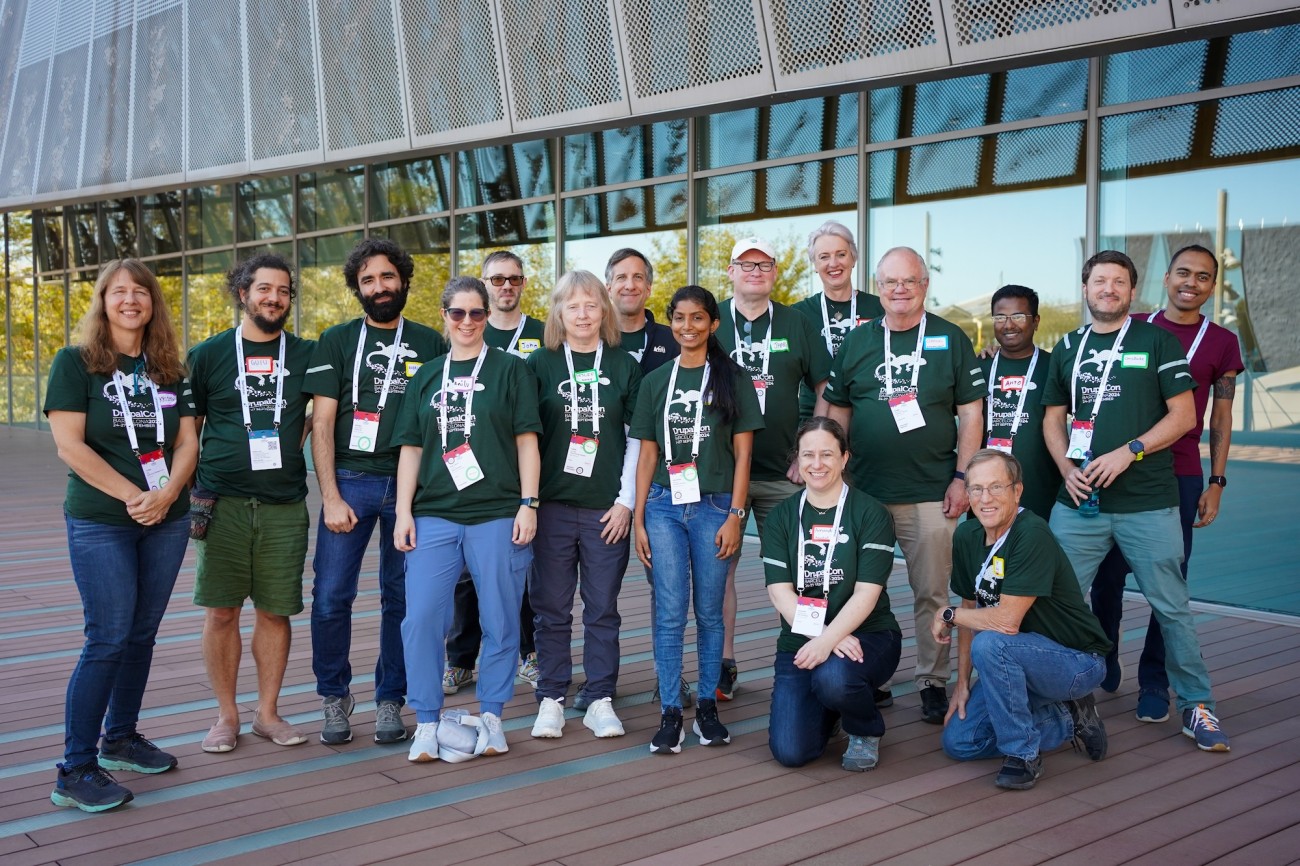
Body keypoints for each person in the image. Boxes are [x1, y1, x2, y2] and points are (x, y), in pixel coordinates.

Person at [1042, 249, 1230, 752]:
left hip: (1148, 503)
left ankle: (1197, 706)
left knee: (1171, 607)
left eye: (1119, 282)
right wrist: (1065, 468)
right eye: (1099, 281)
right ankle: (1055, 697)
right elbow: (1053, 419)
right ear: (1086, 289)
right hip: (1079, 505)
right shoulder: (1068, 345)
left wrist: (1130, 452)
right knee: (1053, 603)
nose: (1108, 289)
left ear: (1132, 291)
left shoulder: (1156, 341)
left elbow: (1184, 416)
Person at [45, 260, 198, 812]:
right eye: (119, 292)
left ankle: (121, 739)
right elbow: (71, 446)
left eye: (141, 292)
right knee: (107, 637)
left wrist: (165, 495)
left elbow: (187, 444)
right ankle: (75, 769)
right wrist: (134, 497)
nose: (131, 300)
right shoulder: (76, 363)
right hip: (102, 520)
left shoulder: (166, 370)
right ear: (103, 301)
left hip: (167, 517)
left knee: (141, 634)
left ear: (153, 303)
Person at [816, 246, 984, 723]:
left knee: (932, 593)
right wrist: (835, 474)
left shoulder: (950, 338)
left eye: (909, 281)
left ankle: (932, 680)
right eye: (889, 282)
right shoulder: (858, 341)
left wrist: (962, 478)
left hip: (932, 492)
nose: (899, 290)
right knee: (856, 590)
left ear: (924, 285)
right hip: (863, 493)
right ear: (878, 286)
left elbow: (971, 414)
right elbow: (839, 410)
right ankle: (868, 675)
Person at [1087, 245, 1244, 723]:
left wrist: (1216, 480)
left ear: (1212, 286)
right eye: (1182, 272)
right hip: (1118, 469)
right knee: (1107, 577)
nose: (1190, 283)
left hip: (1178, 473)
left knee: (1167, 587)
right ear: (1165, 277)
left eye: (1202, 276)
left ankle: (1154, 680)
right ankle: (1105, 651)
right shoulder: (1133, 326)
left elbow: (1221, 414)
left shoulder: (1221, 342)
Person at [303, 237, 447, 746]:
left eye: (387, 277)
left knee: (402, 598)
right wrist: (331, 494)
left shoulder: (433, 343)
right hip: (352, 483)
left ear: (404, 280)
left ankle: (391, 698)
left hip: (412, 486)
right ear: (357, 289)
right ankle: (333, 695)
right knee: (330, 596)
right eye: (368, 280)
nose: (379, 287)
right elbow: (321, 423)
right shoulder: (336, 341)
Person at [392, 276, 542, 763]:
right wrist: (402, 512)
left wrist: (529, 503)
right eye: (458, 313)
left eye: (476, 313)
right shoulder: (426, 376)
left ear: (485, 318)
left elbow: (526, 442)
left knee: (501, 619)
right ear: (445, 317)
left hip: (497, 512)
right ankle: (427, 722)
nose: (468, 322)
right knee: (420, 620)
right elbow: (411, 448)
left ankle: (493, 715)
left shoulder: (511, 371)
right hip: (434, 513)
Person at [187, 254, 316, 753]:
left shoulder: (306, 354)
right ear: (242, 293)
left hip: (284, 503)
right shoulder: (208, 355)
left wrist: (296, 436)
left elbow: (318, 418)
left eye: (283, 291)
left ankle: (267, 713)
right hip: (222, 502)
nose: (274, 298)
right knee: (221, 612)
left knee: (275, 611)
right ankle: (226, 715)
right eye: (264, 289)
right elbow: (188, 434)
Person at [631, 285, 764, 754]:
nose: (688, 327)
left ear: (713, 324)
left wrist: (735, 515)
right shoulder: (655, 382)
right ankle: (670, 710)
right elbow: (646, 454)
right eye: (680, 319)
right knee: (669, 612)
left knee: (709, 613)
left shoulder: (733, 378)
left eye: (698, 319)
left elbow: (743, 456)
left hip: (714, 508)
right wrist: (639, 519)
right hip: (664, 506)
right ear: (671, 322)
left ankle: (707, 705)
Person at [935, 450, 1111, 790]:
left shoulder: (1031, 533)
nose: (985, 499)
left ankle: (1022, 755)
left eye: (996, 487)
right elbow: (970, 608)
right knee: (960, 741)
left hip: (1074, 661)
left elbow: (1005, 622)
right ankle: (1069, 717)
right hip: (1012, 661)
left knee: (993, 642)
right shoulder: (967, 536)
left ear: (1017, 491)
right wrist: (961, 685)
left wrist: (949, 616)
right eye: (976, 489)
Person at [527, 271, 642, 739]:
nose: (582, 314)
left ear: (604, 310)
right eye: (572, 306)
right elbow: (526, 439)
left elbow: (638, 439)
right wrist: (529, 502)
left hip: (604, 511)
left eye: (591, 305)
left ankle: (599, 697)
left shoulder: (624, 364)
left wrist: (626, 502)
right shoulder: (539, 364)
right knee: (550, 607)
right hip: (552, 506)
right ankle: (551, 697)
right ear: (558, 312)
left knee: (601, 608)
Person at [716, 236, 832, 701]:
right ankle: (723, 662)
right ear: (730, 272)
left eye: (764, 265)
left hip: (786, 476)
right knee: (719, 574)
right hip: (724, 478)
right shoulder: (712, 320)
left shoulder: (796, 322)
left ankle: (806, 656)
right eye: (746, 265)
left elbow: (826, 387)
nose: (755, 272)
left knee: (802, 573)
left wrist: (809, 454)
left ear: (776, 272)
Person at [763, 417, 901, 772]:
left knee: (836, 678)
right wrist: (823, 638)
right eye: (808, 455)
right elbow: (780, 593)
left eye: (827, 454)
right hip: (803, 640)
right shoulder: (781, 516)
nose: (817, 464)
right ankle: (833, 706)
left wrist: (829, 640)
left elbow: (867, 594)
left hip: (868, 635)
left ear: (844, 458)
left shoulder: (870, 512)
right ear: (798, 460)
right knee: (791, 751)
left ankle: (864, 727)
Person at [444, 250, 543, 693]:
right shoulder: (458, 336)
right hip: (464, 475)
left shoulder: (544, 335)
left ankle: (528, 652)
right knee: (464, 577)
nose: (506, 286)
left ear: (523, 284)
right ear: (483, 285)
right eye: (497, 279)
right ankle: (460, 659)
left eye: (514, 279)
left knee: (520, 572)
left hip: (520, 473)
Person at [791, 220, 884, 420]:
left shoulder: (880, 308)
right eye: (824, 257)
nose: (833, 264)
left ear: (853, 258)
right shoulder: (798, 314)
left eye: (841, 254)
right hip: (813, 414)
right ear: (815, 265)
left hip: (867, 412)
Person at [981, 285, 1058, 519]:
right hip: (987, 490)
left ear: (1035, 321)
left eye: (1017, 316)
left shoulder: (1054, 366)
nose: (1008, 324)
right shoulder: (980, 365)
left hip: (1041, 488)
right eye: (1000, 317)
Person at [605, 247, 678, 374]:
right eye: (621, 277)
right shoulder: (594, 339)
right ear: (609, 289)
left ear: (648, 288)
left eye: (638, 277)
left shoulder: (673, 340)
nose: (630, 286)